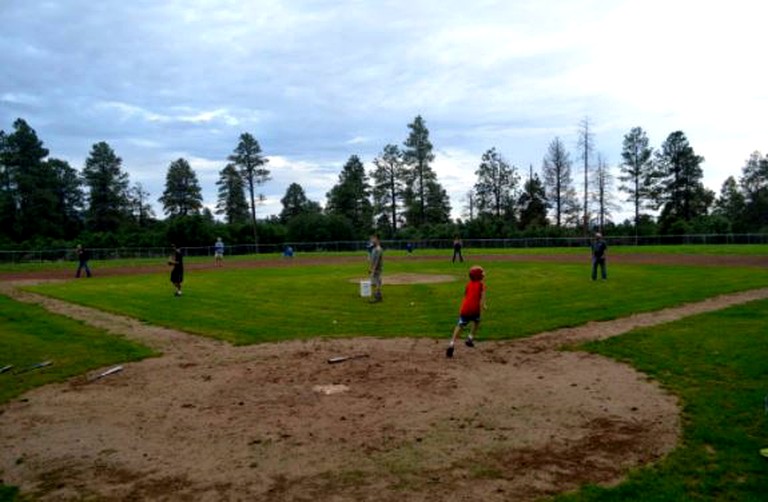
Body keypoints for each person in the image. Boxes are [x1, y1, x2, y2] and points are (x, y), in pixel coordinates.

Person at [446, 265, 486, 358]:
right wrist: (482, 308)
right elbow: (482, 300)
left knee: (460, 325)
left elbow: (466, 295)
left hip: (465, 308)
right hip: (475, 309)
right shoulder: (482, 285)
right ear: (478, 276)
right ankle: (470, 338)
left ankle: (451, 343)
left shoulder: (468, 284)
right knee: (477, 321)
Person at [368, 233, 383, 303]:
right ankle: (379, 296)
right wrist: (370, 267)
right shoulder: (374, 248)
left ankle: (377, 297)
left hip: (377, 269)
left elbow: (376, 261)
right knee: (376, 282)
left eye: (373, 238)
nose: (371, 240)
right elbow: (372, 260)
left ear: (377, 239)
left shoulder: (378, 249)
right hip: (374, 268)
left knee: (377, 282)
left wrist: (373, 270)